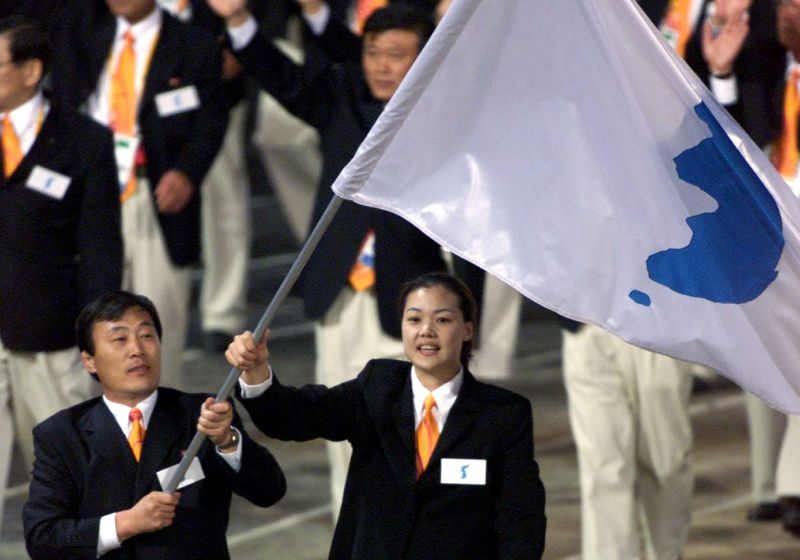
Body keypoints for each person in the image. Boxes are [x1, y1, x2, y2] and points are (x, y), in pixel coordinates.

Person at [207, 0, 447, 517]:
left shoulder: (442, 117)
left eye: (398, 55)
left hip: (406, 300)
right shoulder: (341, 98)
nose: (382, 65)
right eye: (374, 53)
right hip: (339, 293)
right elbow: (283, 77)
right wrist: (237, 22)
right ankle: (351, 537)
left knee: (409, 435)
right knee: (340, 429)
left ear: (425, 59)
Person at [226, 272, 546, 559]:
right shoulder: (377, 386)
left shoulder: (503, 414)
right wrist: (256, 372)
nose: (426, 332)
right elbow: (298, 417)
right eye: (414, 319)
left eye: (443, 320)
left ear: (467, 330)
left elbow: (520, 518)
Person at [23, 291, 286, 559]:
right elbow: (43, 538)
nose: (136, 350)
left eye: (147, 336)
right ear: (89, 361)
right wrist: (126, 523)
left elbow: (269, 491)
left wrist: (227, 441)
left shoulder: (203, 414)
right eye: (119, 339)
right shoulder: (61, 434)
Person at [50, 0, 229, 388]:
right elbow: (62, 105)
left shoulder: (193, 43)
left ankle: (161, 430)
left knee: (155, 320)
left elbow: (212, 120)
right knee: (90, 315)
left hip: (153, 193)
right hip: (88, 195)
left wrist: (187, 172)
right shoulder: (81, 32)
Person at [0, 15, 122, 533]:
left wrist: (93, 335)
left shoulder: (83, 142)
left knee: (69, 485)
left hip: (49, 342)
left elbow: (99, 251)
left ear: (30, 70)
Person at [561, 320, 694, 560]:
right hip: (587, 324)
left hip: (655, 325)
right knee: (603, 465)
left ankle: (668, 554)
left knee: (666, 462)